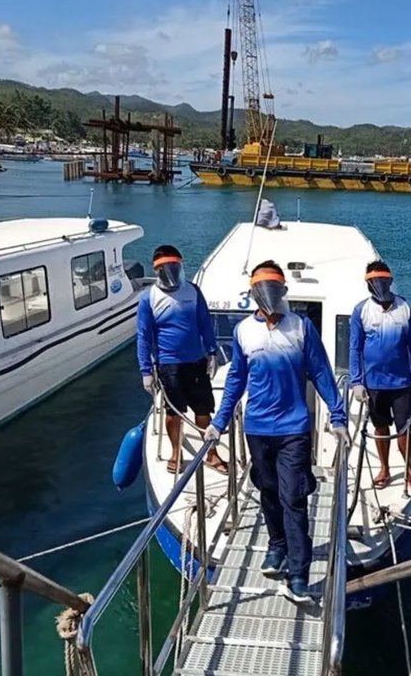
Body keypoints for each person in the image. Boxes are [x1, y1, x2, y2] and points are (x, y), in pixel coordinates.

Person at [206, 260, 347, 604]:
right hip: (256, 428)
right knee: (267, 491)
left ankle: (298, 575)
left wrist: (338, 415)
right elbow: (236, 380)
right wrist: (219, 422)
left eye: (274, 287)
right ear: (253, 293)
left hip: (294, 428)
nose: (268, 295)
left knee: (293, 498)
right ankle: (277, 545)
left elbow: (321, 372)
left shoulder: (301, 328)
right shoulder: (243, 332)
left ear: (283, 290)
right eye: (262, 288)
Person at [137, 245, 228, 475]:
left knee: (203, 409)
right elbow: (143, 337)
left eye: (173, 267)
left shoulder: (193, 292)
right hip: (169, 365)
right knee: (173, 412)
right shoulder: (148, 299)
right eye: (164, 269)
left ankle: (211, 453)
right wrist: (146, 371)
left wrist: (212, 352)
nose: (170, 272)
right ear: (156, 270)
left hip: (197, 362)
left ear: (180, 266)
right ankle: (175, 452)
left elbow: (205, 323)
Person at [349, 260, 411, 498]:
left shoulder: (406, 307)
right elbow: (355, 348)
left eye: (383, 281)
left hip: (402, 383)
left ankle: (410, 472)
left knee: (405, 430)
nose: (380, 286)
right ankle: (384, 469)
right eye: (375, 282)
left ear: (390, 281)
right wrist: (357, 382)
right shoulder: (360, 311)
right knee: (380, 428)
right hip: (374, 385)